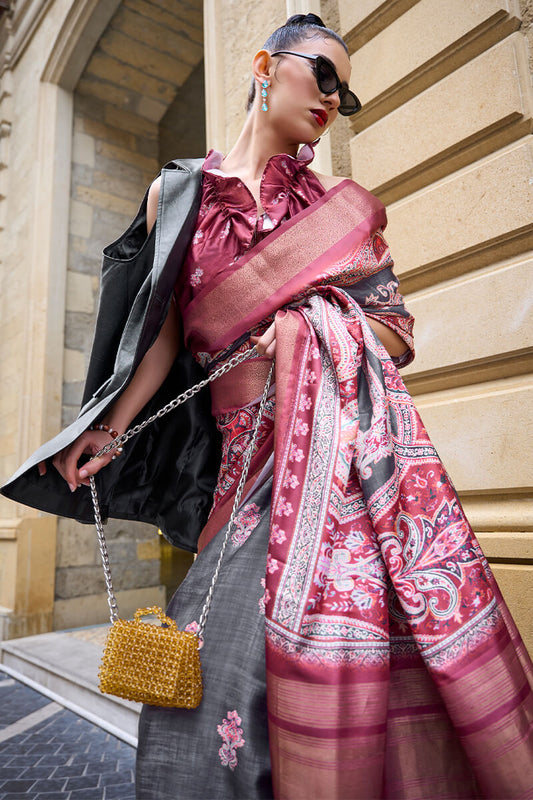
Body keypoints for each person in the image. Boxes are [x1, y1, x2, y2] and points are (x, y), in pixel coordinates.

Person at [2, 13, 533, 800]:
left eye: (344, 94)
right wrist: (111, 429)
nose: (333, 97)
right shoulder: (176, 194)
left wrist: (303, 327)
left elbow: (392, 332)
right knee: (209, 662)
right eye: (323, 74)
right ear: (264, 65)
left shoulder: (333, 210)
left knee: (326, 658)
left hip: (334, 466)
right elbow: (162, 332)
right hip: (236, 469)